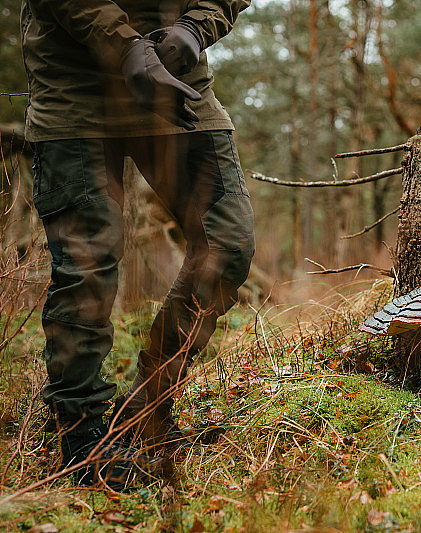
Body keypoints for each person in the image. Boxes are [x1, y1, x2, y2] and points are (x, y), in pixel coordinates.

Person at [21, 0, 254, 489]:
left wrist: (195, 27)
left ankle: (143, 411)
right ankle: (82, 438)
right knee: (86, 266)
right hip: (75, 89)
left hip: (176, 82)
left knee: (226, 245)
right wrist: (123, 46)